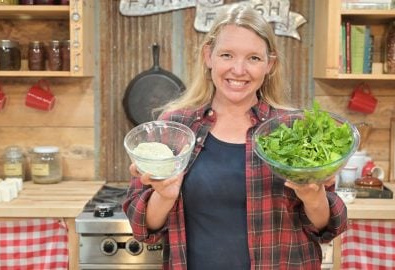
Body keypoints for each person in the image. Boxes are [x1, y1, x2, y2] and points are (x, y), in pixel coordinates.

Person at [123, 4, 348, 270]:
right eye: (227, 55)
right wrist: (164, 196)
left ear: (269, 64)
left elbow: (329, 226)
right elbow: (142, 224)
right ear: (209, 56)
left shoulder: (292, 129)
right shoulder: (176, 126)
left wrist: (313, 197)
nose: (238, 70)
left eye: (253, 58)